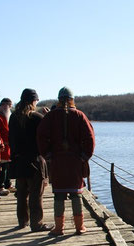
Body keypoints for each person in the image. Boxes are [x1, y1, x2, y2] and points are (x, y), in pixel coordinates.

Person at [37, 87, 95, 236]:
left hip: (57, 161)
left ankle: (59, 228)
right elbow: (90, 138)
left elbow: (41, 137)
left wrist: (48, 155)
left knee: (59, 195)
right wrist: (84, 156)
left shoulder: (50, 117)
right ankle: (79, 227)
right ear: (72, 99)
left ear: (59, 99)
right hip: (75, 161)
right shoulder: (80, 116)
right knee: (76, 195)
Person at [9, 88, 53, 232]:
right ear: (33, 101)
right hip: (35, 161)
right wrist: (48, 116)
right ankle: (37, 223)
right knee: (36, 194)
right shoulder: (36, 117)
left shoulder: (13, 117)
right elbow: (48, 134)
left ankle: (22, 221)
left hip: (18, 161)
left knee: (21, 193)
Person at [0, 98, 13, 195]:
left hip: (8, 145)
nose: (9, 108)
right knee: (1, 167)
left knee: (7, 166)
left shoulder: (7, 115)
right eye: (9, 106)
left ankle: (7, 184)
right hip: (1, 145)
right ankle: (0, 186)